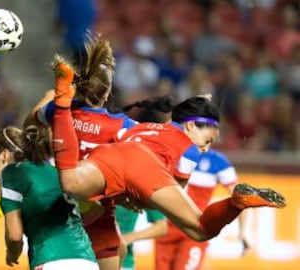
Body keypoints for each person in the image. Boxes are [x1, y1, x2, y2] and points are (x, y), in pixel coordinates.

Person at [0, 33, 138, 270]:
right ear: (107, 93)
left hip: (60, 220)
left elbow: (30, 123)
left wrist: (55, 96)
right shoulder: (123, 126)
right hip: (95, 215)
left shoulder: (59, 115)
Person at [50, 57, 286, 244]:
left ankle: (62, 99)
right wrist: (141, 200)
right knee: (202, 230)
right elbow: (166, 196)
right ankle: (237, 202)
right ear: (191, 125)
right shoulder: (189, 150)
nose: (205, 148)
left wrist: (131, 196)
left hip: (112, 152)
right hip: (144, 166)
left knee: (70, 182)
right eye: (207, 140)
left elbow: (124, 158)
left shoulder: (143, 126)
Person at [0, 126, 98, 269]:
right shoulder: (57, 171)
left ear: (4, 155)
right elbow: (96, 209)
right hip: (87, 260)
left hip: (50, 259)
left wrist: (12, 253)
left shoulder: (12, 173)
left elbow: (14, 236)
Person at [155, 148, 249, 270]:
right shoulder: (172, 150)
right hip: (167, 229)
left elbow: (241, 198)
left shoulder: (218, 162)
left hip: (194, 230)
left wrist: (243, 232)